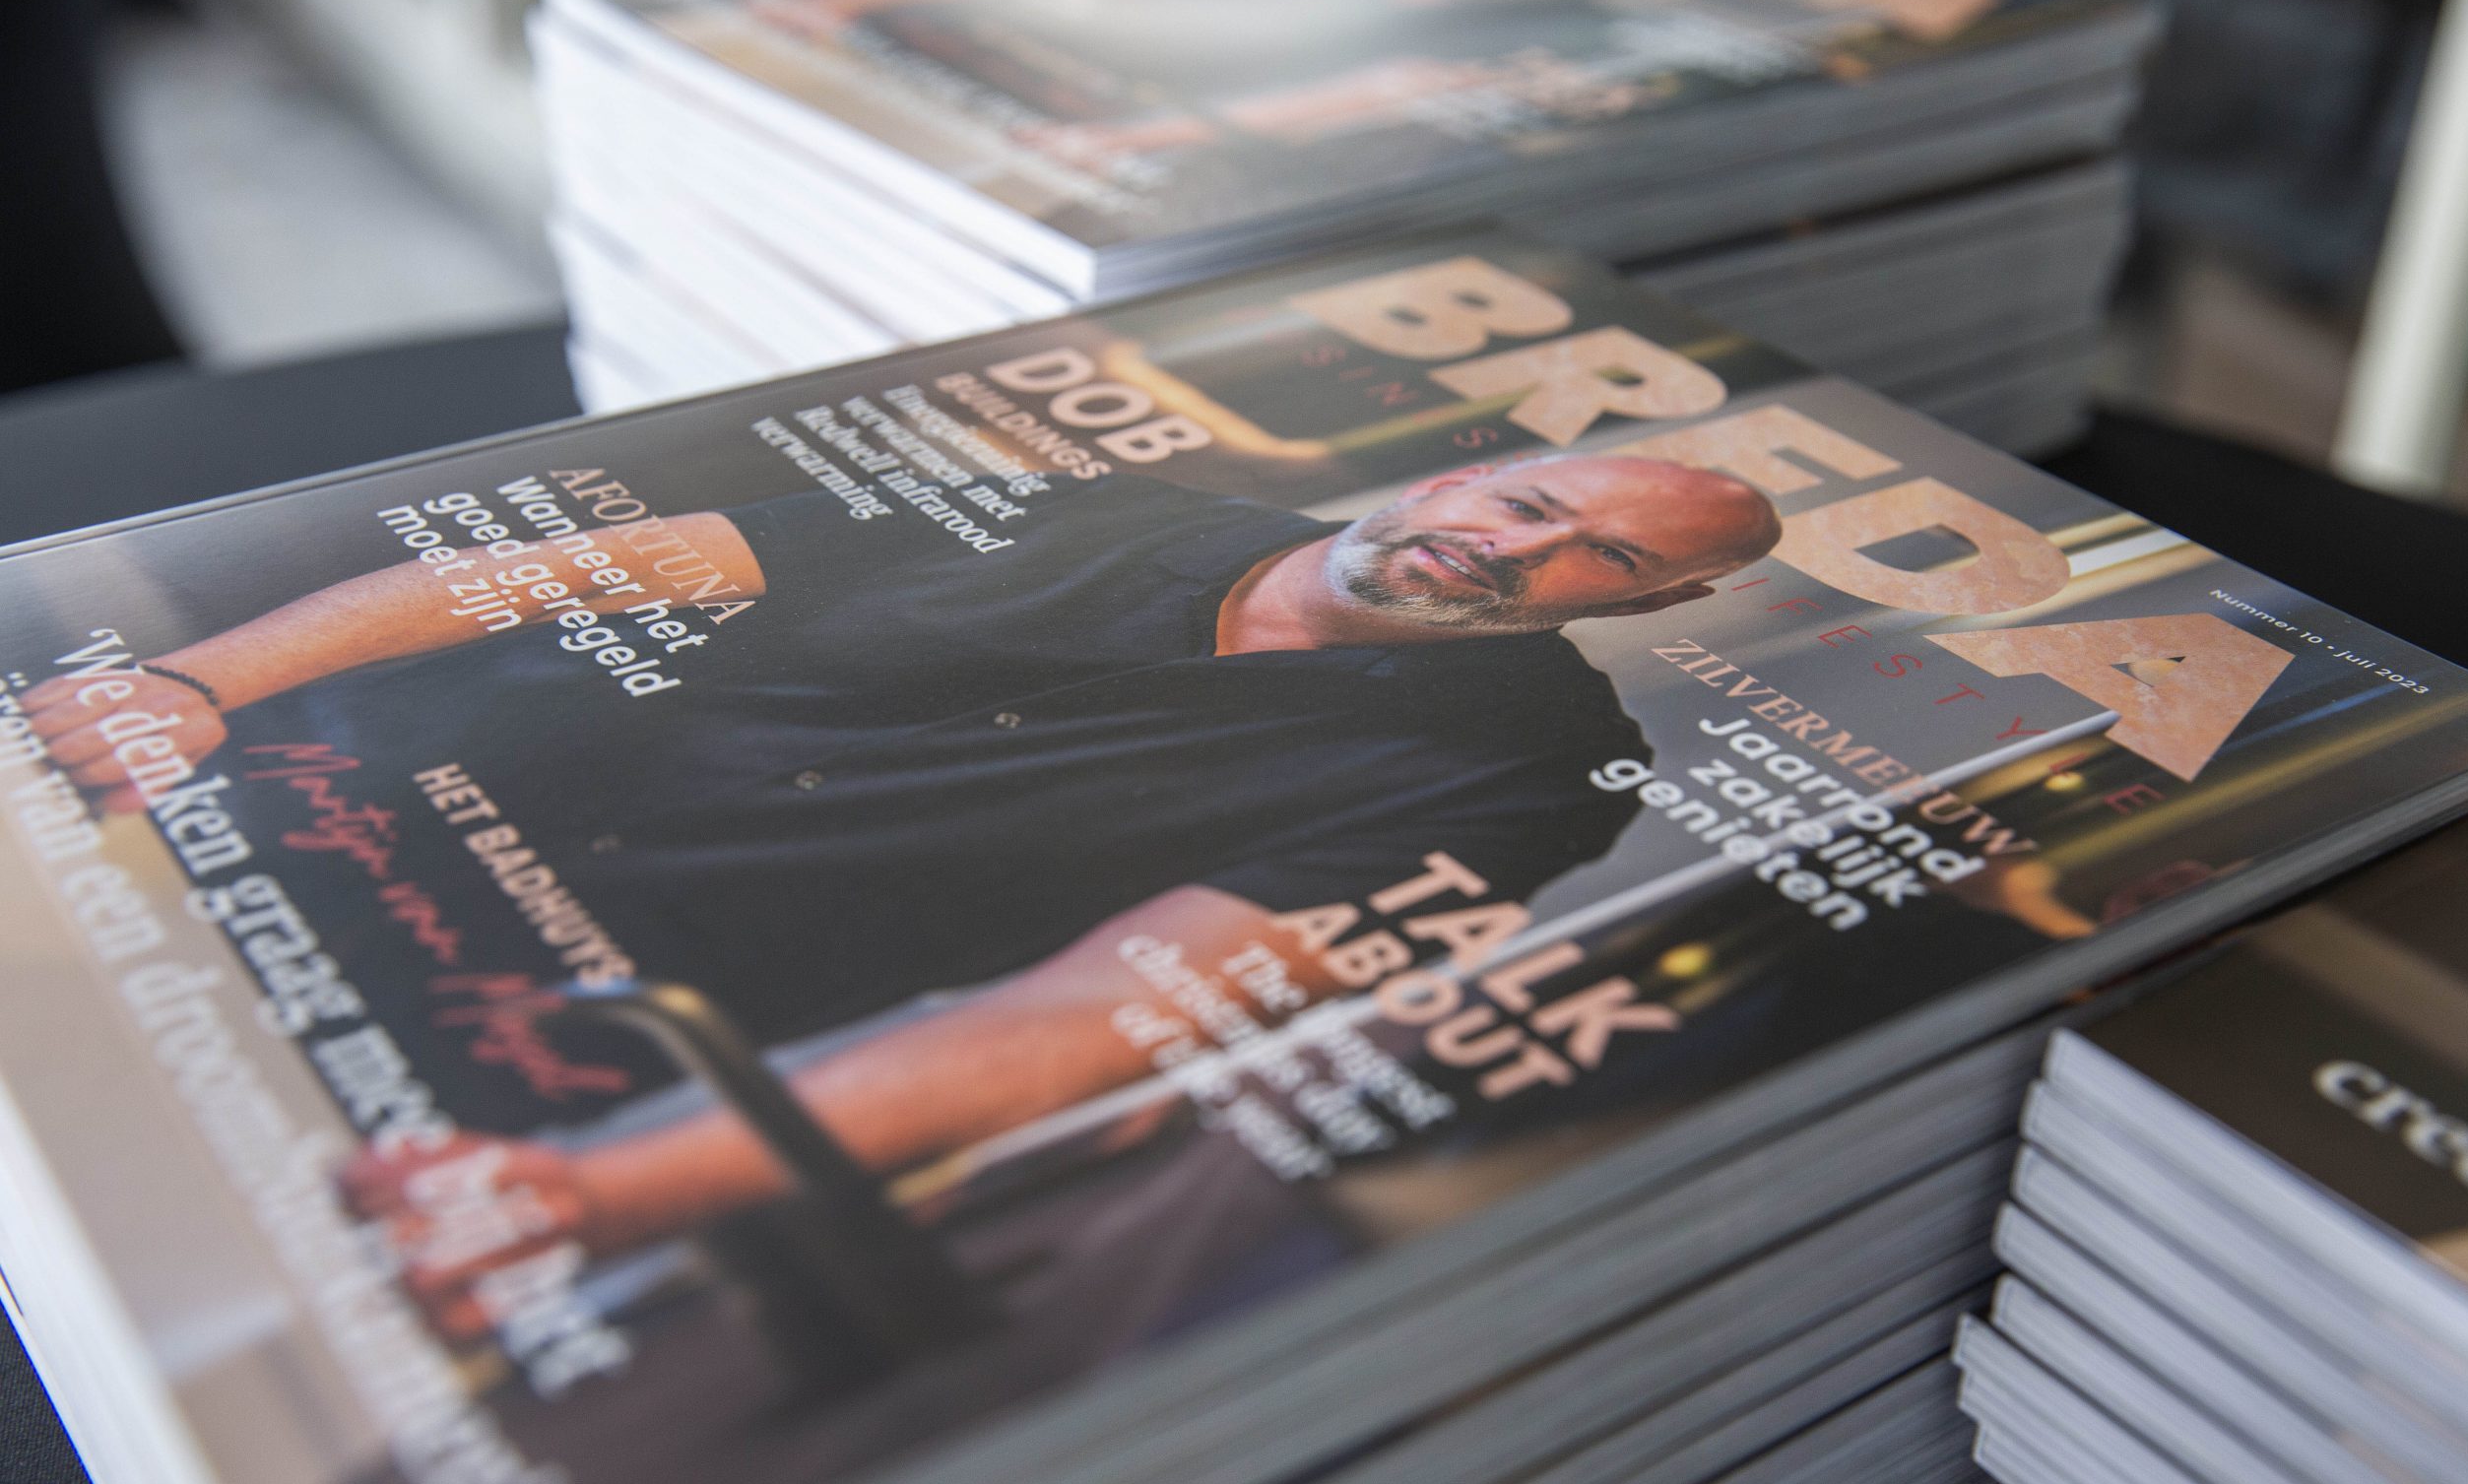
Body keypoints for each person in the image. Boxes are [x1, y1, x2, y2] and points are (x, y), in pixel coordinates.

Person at [30, 454, 1779, 1331]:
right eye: (1527, 501)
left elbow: (1099, 1016)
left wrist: (600, 1192)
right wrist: (197, 684)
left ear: (1645, 607)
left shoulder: (1534, 775)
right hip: (273, 796)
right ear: (1459, 467)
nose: (1516, 548)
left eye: (1605, 557)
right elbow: (600, 567)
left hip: (518, 1040)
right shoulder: (1111, 500)